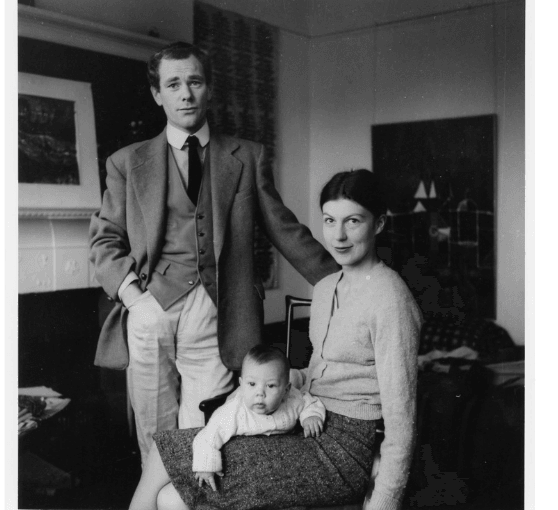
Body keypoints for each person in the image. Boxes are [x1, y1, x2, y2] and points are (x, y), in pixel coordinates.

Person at [88, 41, 337, 467]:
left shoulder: (246, 156)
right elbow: (104, 239)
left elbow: (285, 229)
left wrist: (346, 283)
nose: (185, 94)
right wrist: (134, 299)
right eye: (173, 84)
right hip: (148, 308)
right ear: (157, 94)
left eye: (195, 82)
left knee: (206, 431)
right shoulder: (127, 162)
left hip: (218, 312)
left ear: (209, 88)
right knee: (154, 435)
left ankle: (193, 496)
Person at [129, 169, 422, 510]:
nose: (339, 236)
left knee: (168, 469)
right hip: (304, 422)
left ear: (379, 224)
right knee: (168, 488)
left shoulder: (390, 298)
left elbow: (402, 419)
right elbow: (324, 371)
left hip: (343, 452)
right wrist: (277, 381)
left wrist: (384, 502)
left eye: (353, 221)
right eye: (330, 221)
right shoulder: (326, 287)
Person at [192, 345, 326, 492]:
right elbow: (207, 436)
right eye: (252, 384)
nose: (260, 393)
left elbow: (308, 402)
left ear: (286, 390)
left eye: (270, 386)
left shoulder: (292, 400)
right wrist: (206, 466)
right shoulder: (234, 412)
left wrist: (310, 416)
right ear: (241, 384)